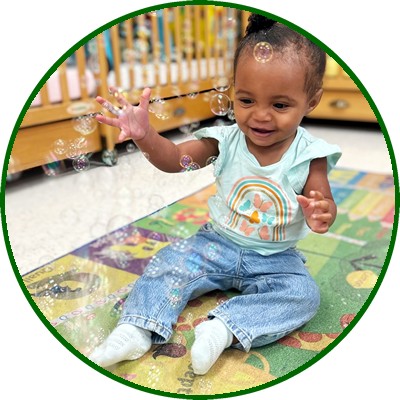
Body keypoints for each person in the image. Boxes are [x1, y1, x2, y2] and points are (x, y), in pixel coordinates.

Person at [89, 13, 342, 375]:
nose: (261, 116)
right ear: (233, 91)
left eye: (280, 105)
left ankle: (223, 328)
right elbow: (175, 160)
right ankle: (137, 327)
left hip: (276, 259)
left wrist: (322, 213)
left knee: (305, 296)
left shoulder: (310, 155)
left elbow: (323, 204)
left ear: (312, 100)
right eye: (246, 100)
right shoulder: (222, 141)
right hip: (215, 243)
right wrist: (146, 136)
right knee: (167, 263)